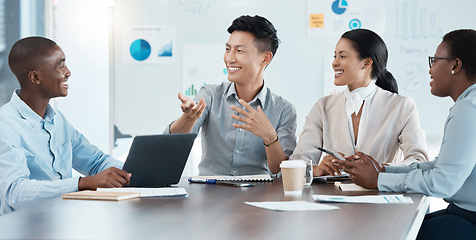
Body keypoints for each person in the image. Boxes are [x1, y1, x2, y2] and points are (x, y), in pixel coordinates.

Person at [333, 29, 476, 239]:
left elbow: (442, 182)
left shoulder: (467, 109)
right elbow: (441, 166)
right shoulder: (469, 105)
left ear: (455, 65)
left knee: (390, 231)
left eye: (434, 61)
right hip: (462, 213)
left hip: (469, 219)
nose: (430, 70)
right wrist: (383, 171)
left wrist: (378, 180)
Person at [0, 37, 131, 215]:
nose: (68, 72)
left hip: (61, 223)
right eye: (61, 65)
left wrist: (134, 173)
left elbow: (96, 162)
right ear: (35, 77)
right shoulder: (6, 124)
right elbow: (15, 193)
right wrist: (82, 183)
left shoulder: (57, 120)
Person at [165, 15, 297, 176]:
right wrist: (188, 117)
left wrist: (269, 136)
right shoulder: (210, 96)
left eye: (239, 51)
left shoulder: (284, 110)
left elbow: (282, 171)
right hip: (210, 194)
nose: (229, 58)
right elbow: (172, 146)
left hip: (258, 195)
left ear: (265, 58)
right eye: (228, 49)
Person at [289, 29, 428, 176]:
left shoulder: (401, 106)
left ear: (366, 63)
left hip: (381, 194)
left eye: (342, 56)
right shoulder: (323, 107)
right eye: (335, 56)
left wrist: (380, 169)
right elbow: (298, 160)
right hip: (332, 195)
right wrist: (317, 169)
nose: (334, 63)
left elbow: (419, 161)